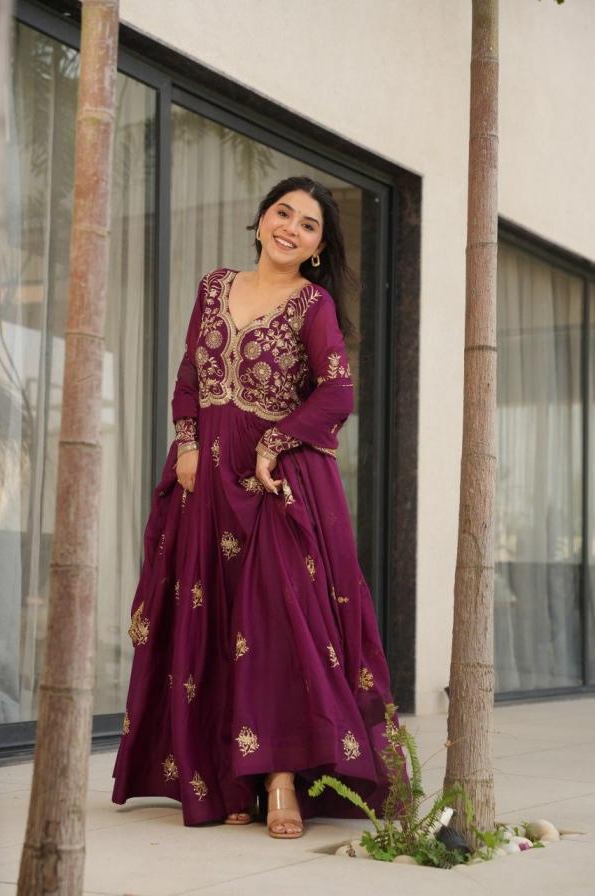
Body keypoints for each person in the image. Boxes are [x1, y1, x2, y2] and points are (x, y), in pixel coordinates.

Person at [111, 175, 405, 839]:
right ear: (261, 219)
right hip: (205, 479)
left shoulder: (312, 303)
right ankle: (225, 777)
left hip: (277, 481)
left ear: (317, 248)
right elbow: (189, 376)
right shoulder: (214, 286)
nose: (291, 228)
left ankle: (279, 781)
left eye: (308, 224)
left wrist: (274, 443)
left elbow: (337, 393)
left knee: (275, 624)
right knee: (209, 617)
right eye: (283, 213)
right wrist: (187, 443)